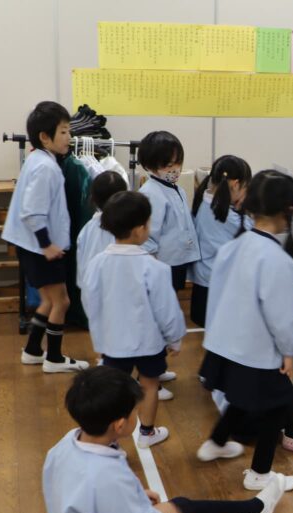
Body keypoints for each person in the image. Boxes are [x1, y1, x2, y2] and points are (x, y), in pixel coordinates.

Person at [43, 367, 284, 513]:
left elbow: (81, 495)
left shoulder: (67, 443)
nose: (137, 414)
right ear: (119, 425)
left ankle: (255, 508)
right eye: (135, 411)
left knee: (178, 507)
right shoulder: (104, 475)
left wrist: (135, 498)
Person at [197, 170, 293, 491]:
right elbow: (283, 317)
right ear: (288, 209)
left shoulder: (235, 245)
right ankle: (260, 474)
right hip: (256, 350)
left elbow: (216, 296)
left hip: (224, 343)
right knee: (276, 406)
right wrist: (289, 352)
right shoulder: (278, 260)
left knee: (241, 396)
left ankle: (216, 441)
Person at [81, 192, 185, 448]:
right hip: (149, 342)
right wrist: (174, 338)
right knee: (149, 384)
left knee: (115, 392)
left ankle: (110, 439)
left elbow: (90, 303)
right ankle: (147, 433)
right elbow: (167, 309)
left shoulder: (97, 264)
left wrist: (99, 339)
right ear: (140, 229)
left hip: (113, 342)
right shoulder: (154, 268)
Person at [3, 101, 88, 373]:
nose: (69, 137)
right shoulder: (46, 168)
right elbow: (32, 211)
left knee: (49, 301)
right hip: (40, 248)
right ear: (44, 137)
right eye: (63, 132)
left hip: (31, 246)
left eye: (68, 131)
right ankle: (54, 358)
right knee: (61, 301)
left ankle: (32, 351)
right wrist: (47, 245)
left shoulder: (37, 160)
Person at [189, 155, 252, 327]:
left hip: (203, 281)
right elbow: (256, 233)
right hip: (219, 286)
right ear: (236, 184)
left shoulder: (203, 200)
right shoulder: (228, 216)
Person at [137, 131, 200, 293]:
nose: (176, 169)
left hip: (178, 261)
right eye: (169, 165)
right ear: (149, 165)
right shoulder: (150, 193)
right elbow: (147, 236)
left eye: (178, 163)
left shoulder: (177, 189)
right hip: (163, 264)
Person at [75, 170, 126, 289]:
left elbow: (82, 271)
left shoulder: (87, 229)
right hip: (115, 290)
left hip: (90, 291)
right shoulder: (125, 229)